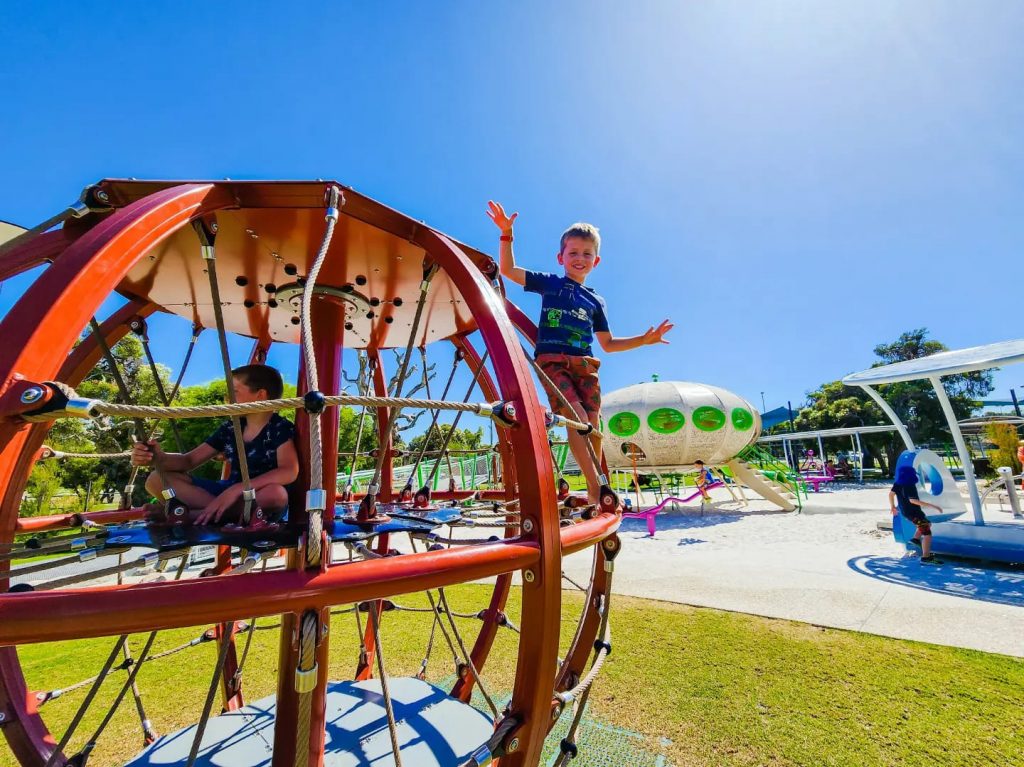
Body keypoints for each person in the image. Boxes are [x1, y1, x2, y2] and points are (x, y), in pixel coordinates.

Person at [488, 201, 672, 505]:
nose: (579, 258)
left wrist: (644, 339)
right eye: (573, 253)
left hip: (586, 366)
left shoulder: (596, 301)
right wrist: (507, 234)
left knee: (594, 426)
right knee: (578, 419)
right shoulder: (551, 284)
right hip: (554, 361)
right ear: (560, 257)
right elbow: (507, 270)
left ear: (596, 261)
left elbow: (608, 344)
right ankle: (597, 486)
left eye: (587, 254)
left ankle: (591, 491)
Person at [131, 364, 299, 525]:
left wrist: (238, 490)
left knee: (276, 494)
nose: (228, 398)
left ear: (260, 395)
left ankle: (187, 515)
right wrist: (158, 458)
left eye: (234, 392)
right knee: (155, 479)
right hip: (225, 495)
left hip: (257, 498)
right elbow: (188, 461)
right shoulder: (231, 427)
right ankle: (210, 514)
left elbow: (288, 471)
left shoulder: (279, 428)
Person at [889, 465, 943, 565]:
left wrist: (892, 506)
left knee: (927, 524)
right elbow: (913, 501)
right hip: (914, 513)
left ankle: (915, 539)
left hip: (906, 512)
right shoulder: (909, 485)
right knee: (927, 534)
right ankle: (926, 557)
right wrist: (933, 506)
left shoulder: (897, 484)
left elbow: (891, 494)